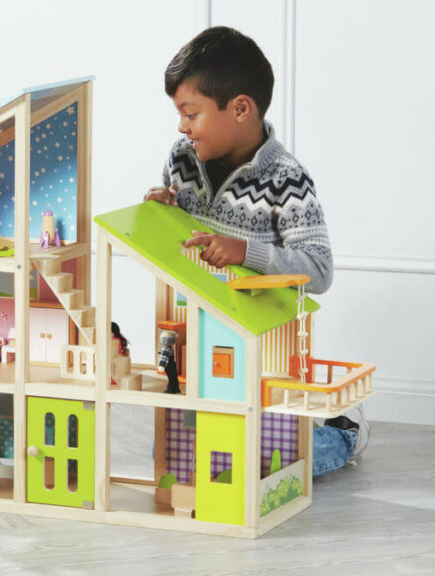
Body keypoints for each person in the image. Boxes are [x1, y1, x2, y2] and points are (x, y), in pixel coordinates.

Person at [145, 26, 368, 475]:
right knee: (174, 460)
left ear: (241, 108)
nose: (181, 126)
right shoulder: (182, 157)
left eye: (191, 113)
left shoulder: (287, 179)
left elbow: (320, 271)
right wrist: (162, 211)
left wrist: (246, 251)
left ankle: (343, 432)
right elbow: (182, 242)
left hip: (261, 344)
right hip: (202, 333)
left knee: (265, 463)